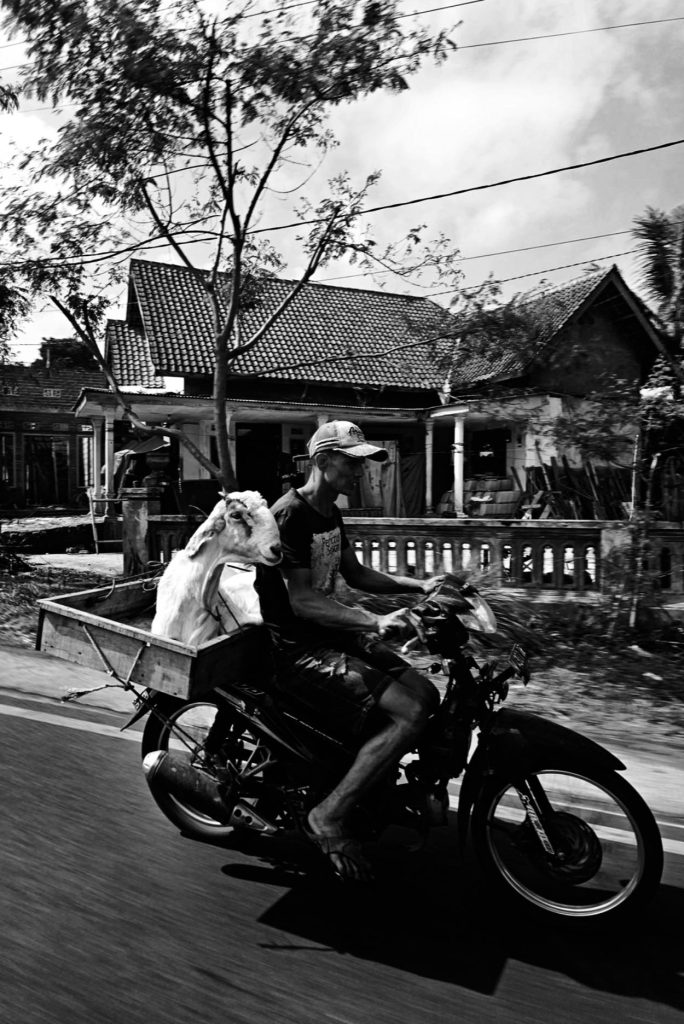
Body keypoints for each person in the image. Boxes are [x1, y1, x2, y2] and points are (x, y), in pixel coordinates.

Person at [254, 420, 444, 881]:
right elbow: (301, 601)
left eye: (363, 463)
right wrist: (374, 620)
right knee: (409, 712)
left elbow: (355, 575)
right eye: (353, 462)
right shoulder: (290, 516)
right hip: (297, 648)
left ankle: (370, 782)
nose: (362, 472)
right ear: (322, 462)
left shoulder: (329, 512)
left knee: (427, 693)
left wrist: (419, 586)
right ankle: (329, 813)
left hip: (329, 635)